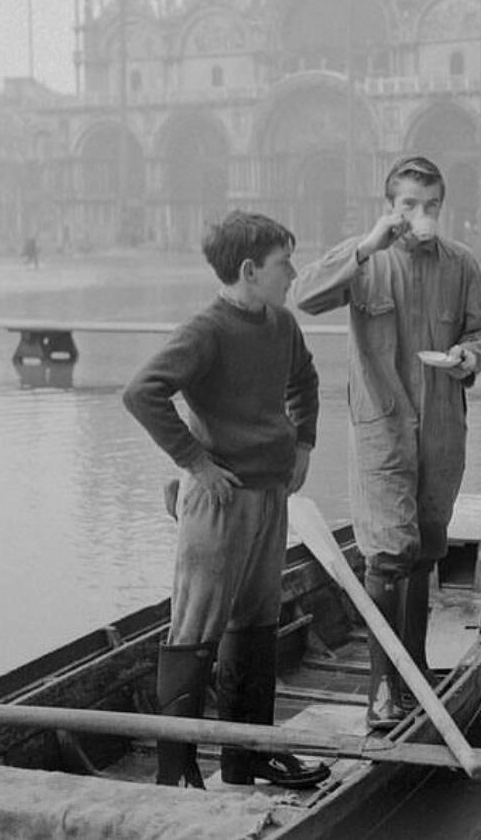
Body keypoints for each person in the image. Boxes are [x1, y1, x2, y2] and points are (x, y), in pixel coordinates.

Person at [122, 211, 330, 791]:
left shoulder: (282, 324)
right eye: (283, 263)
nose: (293, 273)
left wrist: (304, 443)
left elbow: (305, 381)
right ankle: (176, 770)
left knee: (258, 622)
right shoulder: (206, 331)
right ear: (249, 270)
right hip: (218, 501)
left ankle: (248, 757)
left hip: (270, 494)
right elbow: (142, 393)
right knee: (194, 628)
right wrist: (194, 462)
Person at [294, 156, 481, 730]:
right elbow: (303, 295)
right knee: (387, 553)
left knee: (426, 548)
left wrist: (468, 356)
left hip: (442, 428)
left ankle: (415, 668)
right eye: (409, 204)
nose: (420, 215)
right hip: (381, 428)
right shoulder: (366, 260)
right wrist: (365, 245)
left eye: (430, 205)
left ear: (442, 207)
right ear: (390, 206)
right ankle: (383, 689)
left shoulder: (461, 264)